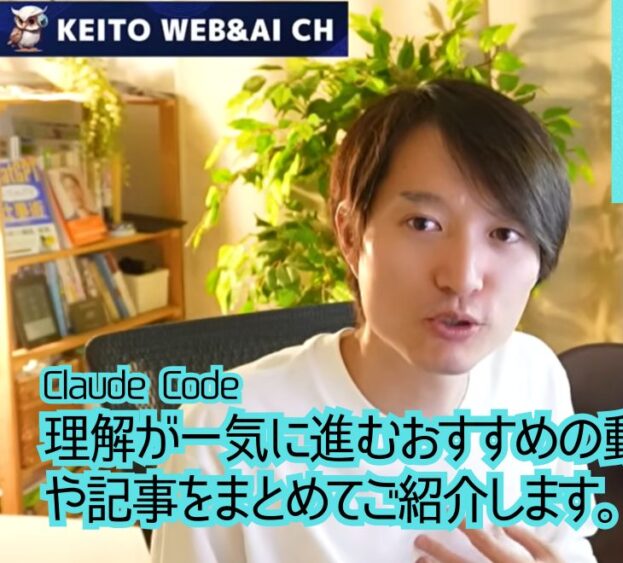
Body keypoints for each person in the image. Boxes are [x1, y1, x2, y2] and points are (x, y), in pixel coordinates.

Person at [151, 79, 596, 563]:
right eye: (423, 224)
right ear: (349, 233)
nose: (462, 277)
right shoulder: (220, 434)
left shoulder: (533, 377)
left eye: (505, 233)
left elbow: (569, 546)